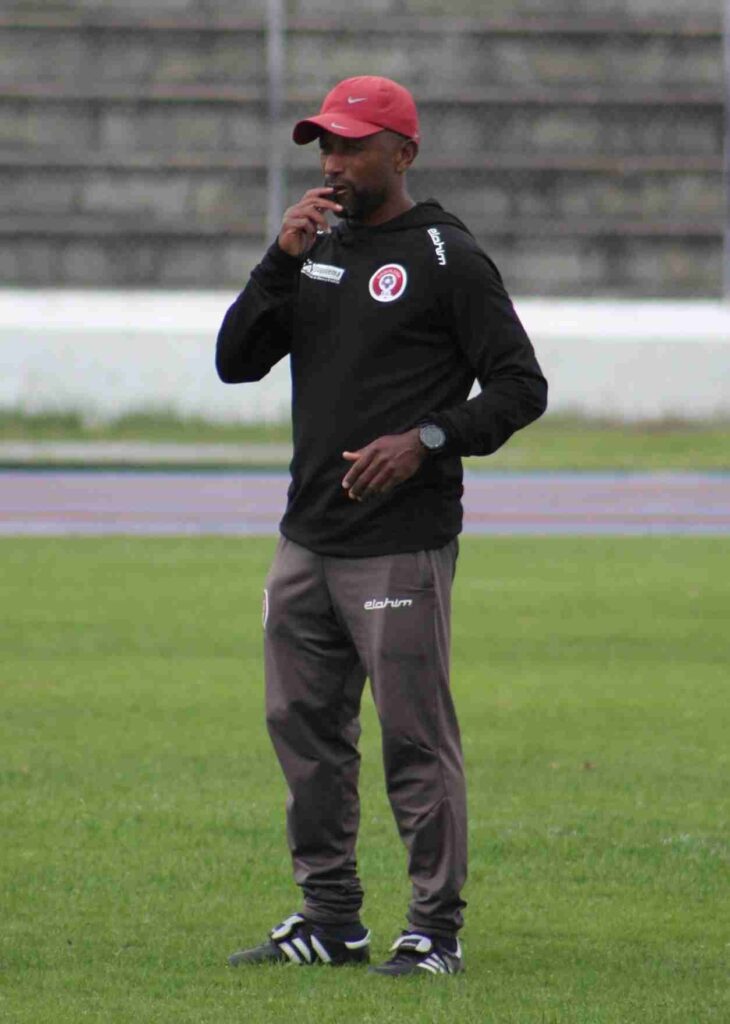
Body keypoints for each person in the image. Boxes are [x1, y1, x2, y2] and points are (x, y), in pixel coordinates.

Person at [216, 75, 548, 977]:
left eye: (353, 145)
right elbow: (235, 364)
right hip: (306, 539)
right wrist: (278, 261)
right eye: (325, 144)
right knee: (305, 731)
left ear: (402, 153)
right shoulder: (315, 249)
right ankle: (330, 920)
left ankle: (433, 931)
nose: (334, 161)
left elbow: (523, 387)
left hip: (399, 543)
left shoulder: (448, 257)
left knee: (413, 740)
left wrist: (428, 439)